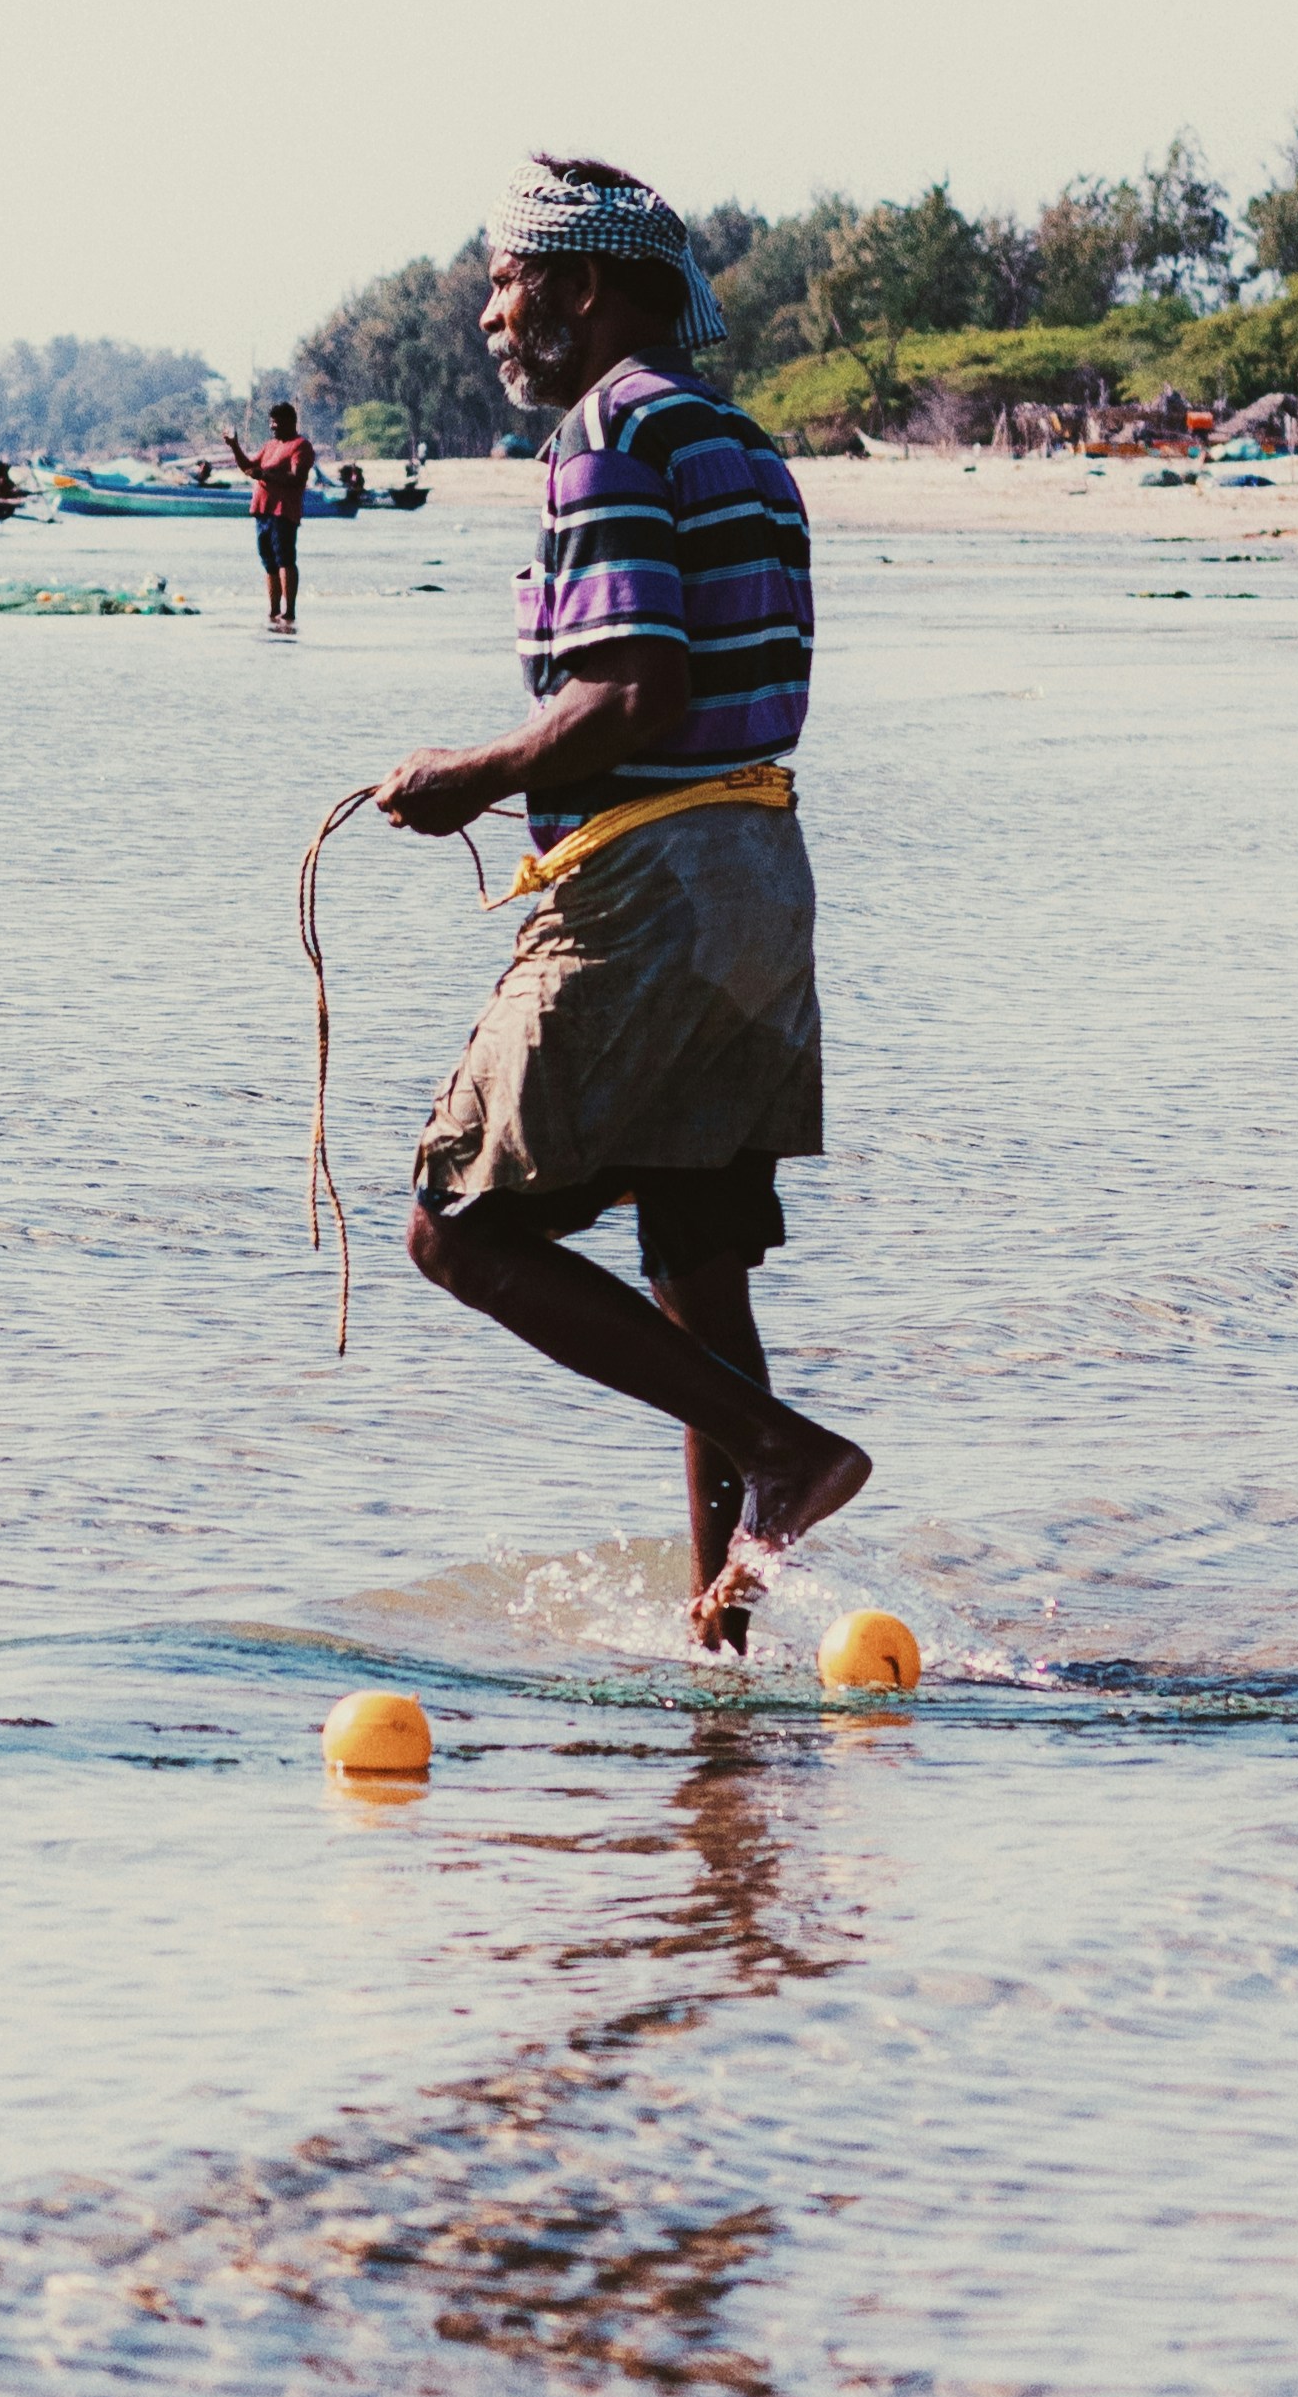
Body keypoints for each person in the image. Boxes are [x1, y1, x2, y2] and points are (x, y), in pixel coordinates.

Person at [372, 153, 867, 1652]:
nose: (488, 313)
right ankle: (718, 1657)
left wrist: (477, 770)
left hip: (641, 886)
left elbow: (635, 685)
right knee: (691, 1269)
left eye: (507, 280)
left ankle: (790, 1454)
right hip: (754, 887)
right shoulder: (736, 438)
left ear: (581, 288)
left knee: (455, 1229)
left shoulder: (603, 434)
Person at [226, 393, 318, 627]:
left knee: (285, 559)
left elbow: (297, 478)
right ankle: (274, 609)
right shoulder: (270, 446)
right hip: (262, 510)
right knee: (268, 561)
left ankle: (290, 611)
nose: (273, 427)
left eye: (277, 423)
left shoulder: (301, 446)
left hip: (283, 511)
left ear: (291, 422)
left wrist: (265, 475)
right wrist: (234, 446)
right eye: (271, 423)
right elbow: (248, 467)